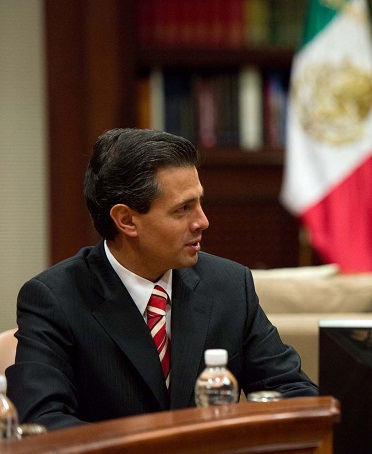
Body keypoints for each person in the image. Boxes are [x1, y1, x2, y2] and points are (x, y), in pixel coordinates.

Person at [7, 128, 318, 430]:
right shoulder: (54, 299)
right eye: (183, 209)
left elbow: (295, 392)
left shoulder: (230, 285)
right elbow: (41, 421)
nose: (203, 221)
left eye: (199, 202)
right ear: (127, 220)